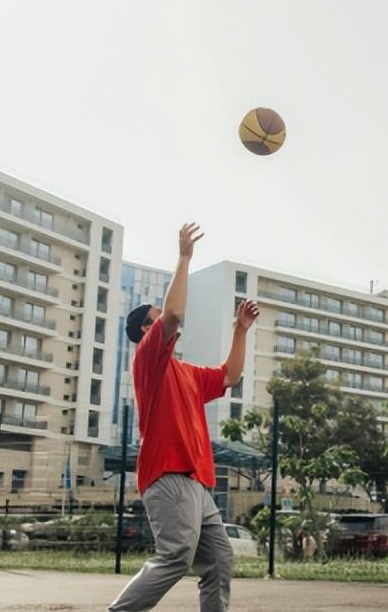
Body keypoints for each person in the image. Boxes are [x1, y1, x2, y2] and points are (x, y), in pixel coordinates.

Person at [109, 223, 259, 612]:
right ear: (146, 330)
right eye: (154, 320)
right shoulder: (148, 361)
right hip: (168, 475)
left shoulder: (187, 373)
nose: (163, 323)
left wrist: (239, 330)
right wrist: (185, 257)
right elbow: (174, 313)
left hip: (196, 483)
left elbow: (230, 375)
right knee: (176, 556)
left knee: (219, 558)